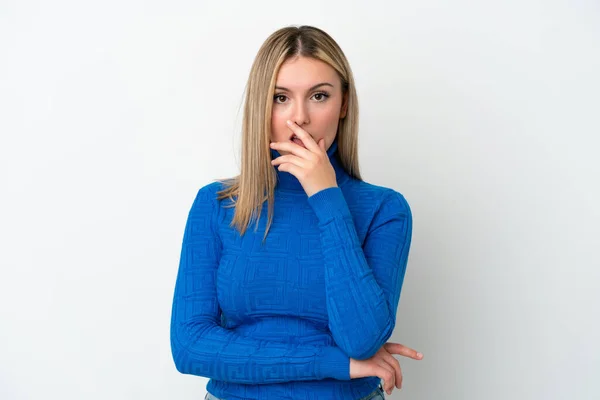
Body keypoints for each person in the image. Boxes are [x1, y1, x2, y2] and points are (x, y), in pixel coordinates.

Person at [170, 25, 423, 400]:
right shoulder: (217, 205)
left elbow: (361, 337)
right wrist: (334, 364)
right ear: (261, 106)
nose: (299, 117)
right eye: (281, 97)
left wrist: (326, 196)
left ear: (344, 105)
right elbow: (190, 346)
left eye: (319, 96)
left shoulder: (385, 210)